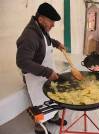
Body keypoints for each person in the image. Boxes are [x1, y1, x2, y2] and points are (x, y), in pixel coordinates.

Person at [16, 2, 67, 134]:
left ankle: (53, 118)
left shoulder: (41, 29)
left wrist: (56, 44)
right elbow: (22, 61)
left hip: (44, 74)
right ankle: (39, 128)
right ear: (40, 19)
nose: (53, 25)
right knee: (39, 103)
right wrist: (47, 72)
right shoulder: (29, 35)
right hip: (34, 76)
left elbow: (46, 40)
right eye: (51, 21)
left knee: (51, 98)